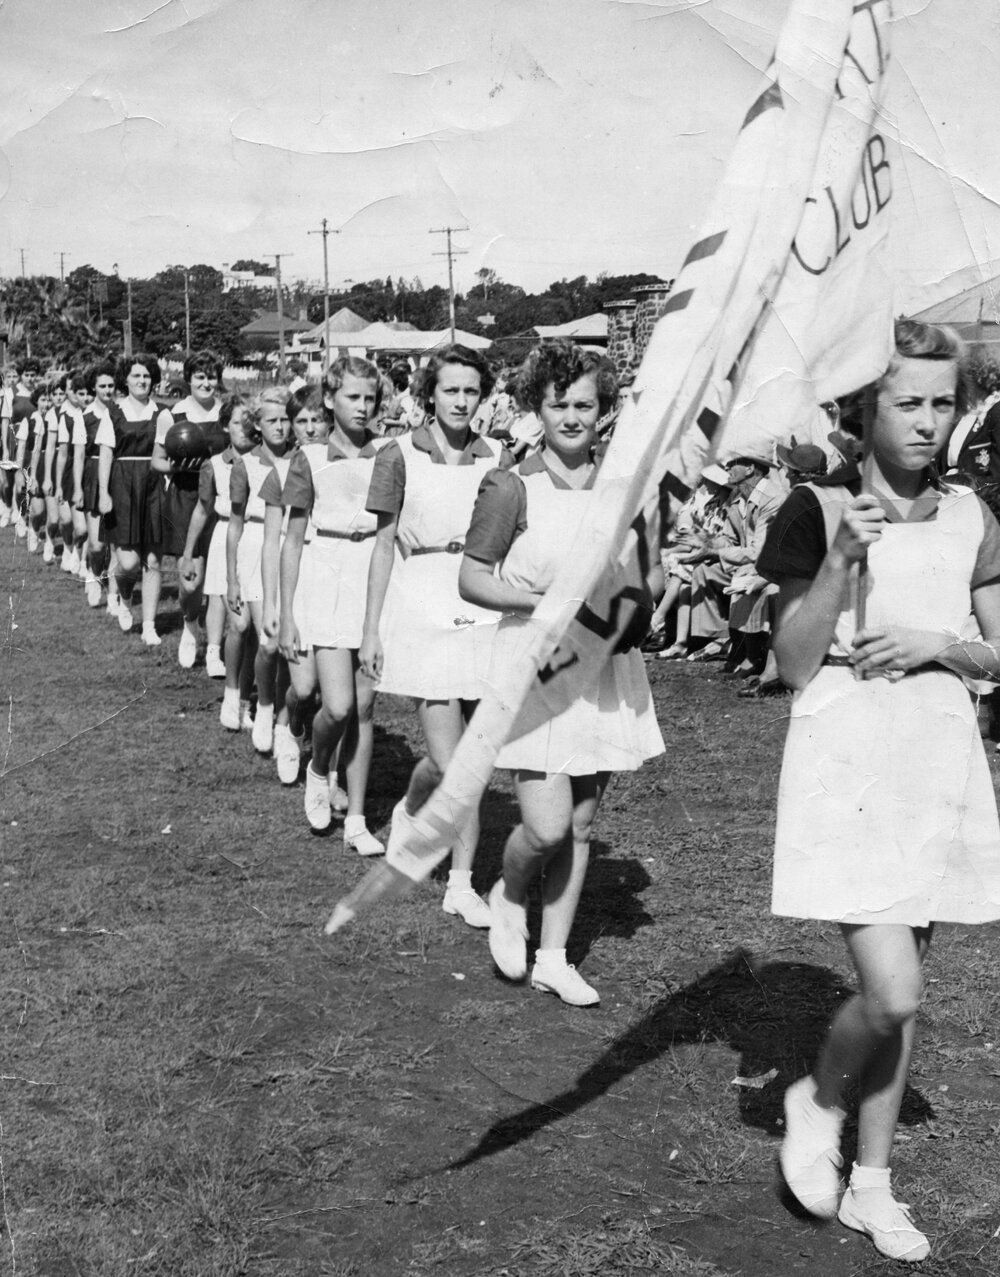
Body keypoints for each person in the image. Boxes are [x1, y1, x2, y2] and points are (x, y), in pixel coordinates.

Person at [758, 319, 1000, 1263]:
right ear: (864, 409)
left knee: (910, 986)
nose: (928, 422)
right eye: (908, 401)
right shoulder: (814, 508)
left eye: (943, 402)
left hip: (936, 762)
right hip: (847, 760)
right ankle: (816, 1096)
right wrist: (841, 562)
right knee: (891, 991)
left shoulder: (975, 514)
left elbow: (997, 646)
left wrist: (942, 645)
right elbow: (789, 659)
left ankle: (872, 1184)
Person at [459, 342, 664, 1004]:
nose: (573, 417)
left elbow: (651, 570)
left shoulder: (627, 488)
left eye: (586, 404)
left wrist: (639, 599)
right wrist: (546, 604)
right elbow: (473, 579)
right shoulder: (512, 485)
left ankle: (554, 955)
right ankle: (509, 889)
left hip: (603, 660)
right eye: (559, 404)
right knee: (544, 825)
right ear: (535, 408)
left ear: (604, 411)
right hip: (535, 660)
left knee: (578, 822)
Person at [361, 345, 510, 926]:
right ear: (429, 394)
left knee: (467, 755)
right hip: (422, 602)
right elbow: (381, 546)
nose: (461, 401)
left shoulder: (496, 455)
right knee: (460, 765)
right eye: (450, 390)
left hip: (481, 602)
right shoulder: (398, 454)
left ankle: (410, 809)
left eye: (471, 391)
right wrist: (371, 630)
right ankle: (461, 883)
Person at [279, 357, 386, 853]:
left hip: (373, 576)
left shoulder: (389, 453)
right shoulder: (311, 458)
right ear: (329, 400)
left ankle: (358, 821)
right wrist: (286, 612)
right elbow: (293, 540)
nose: (362, 407)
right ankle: (319, 768)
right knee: (337, 705)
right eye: (352, 398)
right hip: (324, 576)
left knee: (364, 706)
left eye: (369, 398)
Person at [149, 351, 226, 668]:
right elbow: (157, 460)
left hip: (221, 499)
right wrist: (176, 465)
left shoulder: (227, 413)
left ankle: (215, 649)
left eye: (211, 377)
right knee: (191, 582)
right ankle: (190, 625)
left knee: (220, 579)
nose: (206, 383)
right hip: (185, 496)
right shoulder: (173, 415)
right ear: (189, 379)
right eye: (200, 377)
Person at [227, 389, 294, 749]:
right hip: (255, 550)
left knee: (287, 641)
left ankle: (283, 716)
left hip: (295, 549)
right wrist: (231, 578)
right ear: (258, 424)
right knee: (267, 643)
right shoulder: (246, 464)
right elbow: (234, 524)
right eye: (272, 420)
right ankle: (264, 705)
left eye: (285, 419)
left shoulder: (302, 459)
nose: (281, 426)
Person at [97, 354, 163, 639]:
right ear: (125, 379)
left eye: (147, 376)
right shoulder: (113, 412)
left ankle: (149, 626)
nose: (142, 381)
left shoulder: (162, 413)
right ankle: (125, 599)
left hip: (154, 485)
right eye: (136, 375)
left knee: (153, 560)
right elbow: (106, 455)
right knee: (128, 563)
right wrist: (103, 492)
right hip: (122, 485)